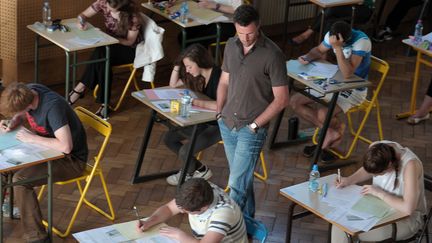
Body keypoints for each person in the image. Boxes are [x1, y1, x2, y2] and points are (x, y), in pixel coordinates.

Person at [216, 5, 289, 217]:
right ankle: (246, 227)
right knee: (241, 179)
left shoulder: (273, 55)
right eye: (240, 33)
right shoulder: (231, 45)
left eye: (249, 33)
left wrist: (255, 126)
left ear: (259, 26)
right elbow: (224, 81)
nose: (245, 38)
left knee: (237, 184)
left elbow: (282, 99)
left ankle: (226, 230)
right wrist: (220, 111)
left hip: (251, 129)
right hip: (227, 122)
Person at [0, 83, 88, 243]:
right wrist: (12, 122)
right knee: (6, 169)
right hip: (48, 151)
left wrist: (32, 138)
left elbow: (66, 146)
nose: (18, 115)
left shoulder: (53, 107)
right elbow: (21, 114)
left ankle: (38, 238)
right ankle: (7, 208)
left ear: (28, 105)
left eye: (19, 112)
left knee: (20, 181)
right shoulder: (29, 90)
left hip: (71, 160)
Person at [290, 21, 371, 161]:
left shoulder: (362, 42)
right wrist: (307, 57)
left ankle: (327, 136)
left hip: (354, 88)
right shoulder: (332, 35)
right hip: (335, 81)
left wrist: (338, 48)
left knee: (323, 114)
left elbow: (347, 73)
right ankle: (331, 131)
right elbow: (318, 50)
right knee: (295, 101)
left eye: (338, 43)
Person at [332, 141, 427, 242]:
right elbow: (368, 170)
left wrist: (379, 193)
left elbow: (408, 209)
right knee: (338, 225)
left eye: (378, 174)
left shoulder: (410, 165)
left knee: (350, 232)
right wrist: (349, 180)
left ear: (389, 165)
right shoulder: (376, 148)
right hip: (378, 210)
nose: (375, 176)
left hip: (405, 220)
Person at [68, 0, 144, 116]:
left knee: (102, 53)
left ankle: (79, 88)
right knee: (103, 56)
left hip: (129, 50)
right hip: (108, 45)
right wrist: (81, 21)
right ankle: (104, 103)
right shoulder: (103, 2)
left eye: (115, 10)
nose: (108, 10)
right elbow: (83, 15)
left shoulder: (133, 17)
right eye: (108, 7)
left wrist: (107, 37)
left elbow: (130, 42)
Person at [164, 43, 221, 186]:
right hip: (203, 121)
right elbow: (173, 84)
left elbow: (221, 105)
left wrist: (196, 102)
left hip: (218, 126)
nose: (187, 71)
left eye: (189, 66)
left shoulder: (219, 76)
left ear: (200, 62)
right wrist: (178, 64)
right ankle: (199, 169)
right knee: (169, 138)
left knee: (184, 151)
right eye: (186, 67)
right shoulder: (198, 75)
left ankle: (188, 174)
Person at [136, 178, 248, 243]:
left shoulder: (223, 213)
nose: (182, 212)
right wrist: (149, 221)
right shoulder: (200, 189)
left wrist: (181, 237)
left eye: (187, 211)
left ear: (204, 208)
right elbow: (169, 208)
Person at [289, 0, 374, 45]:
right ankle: (324, 49)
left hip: (363, 10)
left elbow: (364, 1)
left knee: (332, 9)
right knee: (330, 18)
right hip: (346, 7)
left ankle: (308, 33)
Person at [172, 0, 244, 47]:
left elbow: (240, 10)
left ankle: (200, 68)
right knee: (183, 37)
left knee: (196, 42)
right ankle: (191, 66)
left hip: (228, 24)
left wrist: (216, 5)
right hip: (209, 20)